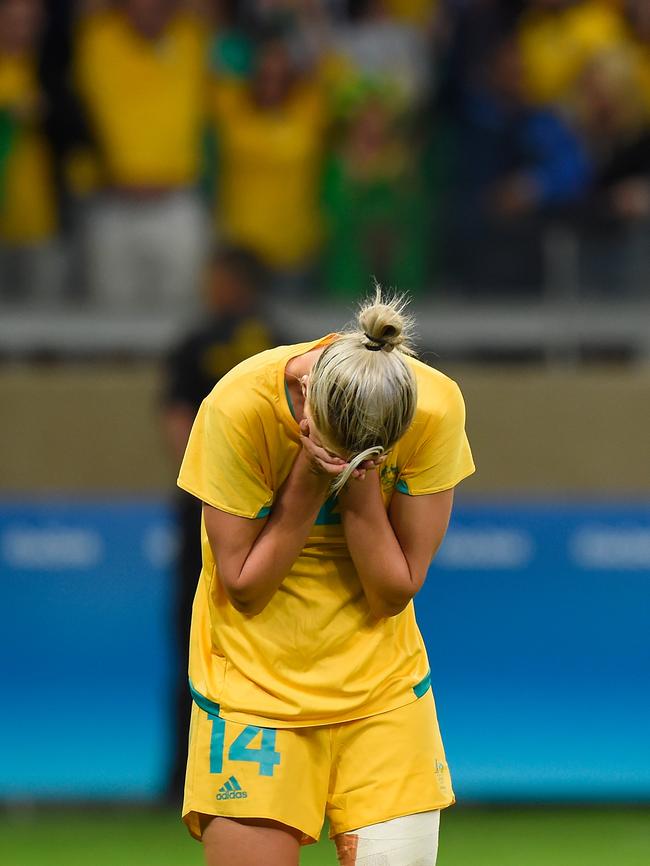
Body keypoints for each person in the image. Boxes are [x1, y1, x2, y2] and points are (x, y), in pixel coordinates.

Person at [177, 289, 475, 866]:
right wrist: (309, 482)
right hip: (252, 697)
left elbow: (394, 590)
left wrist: (360, 489)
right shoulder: (240, 404)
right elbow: (243, 586)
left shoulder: (434, 406)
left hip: (383, 695)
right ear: (307, 395)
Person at [162, 244, 277, 800]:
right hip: (242, 513)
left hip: (237, 511)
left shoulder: (278, 346)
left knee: (208, 639)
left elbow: (178, 425)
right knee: (199, 640)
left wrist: (222, 478)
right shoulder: (201, 344)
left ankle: (216, 777)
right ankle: (191, 773)